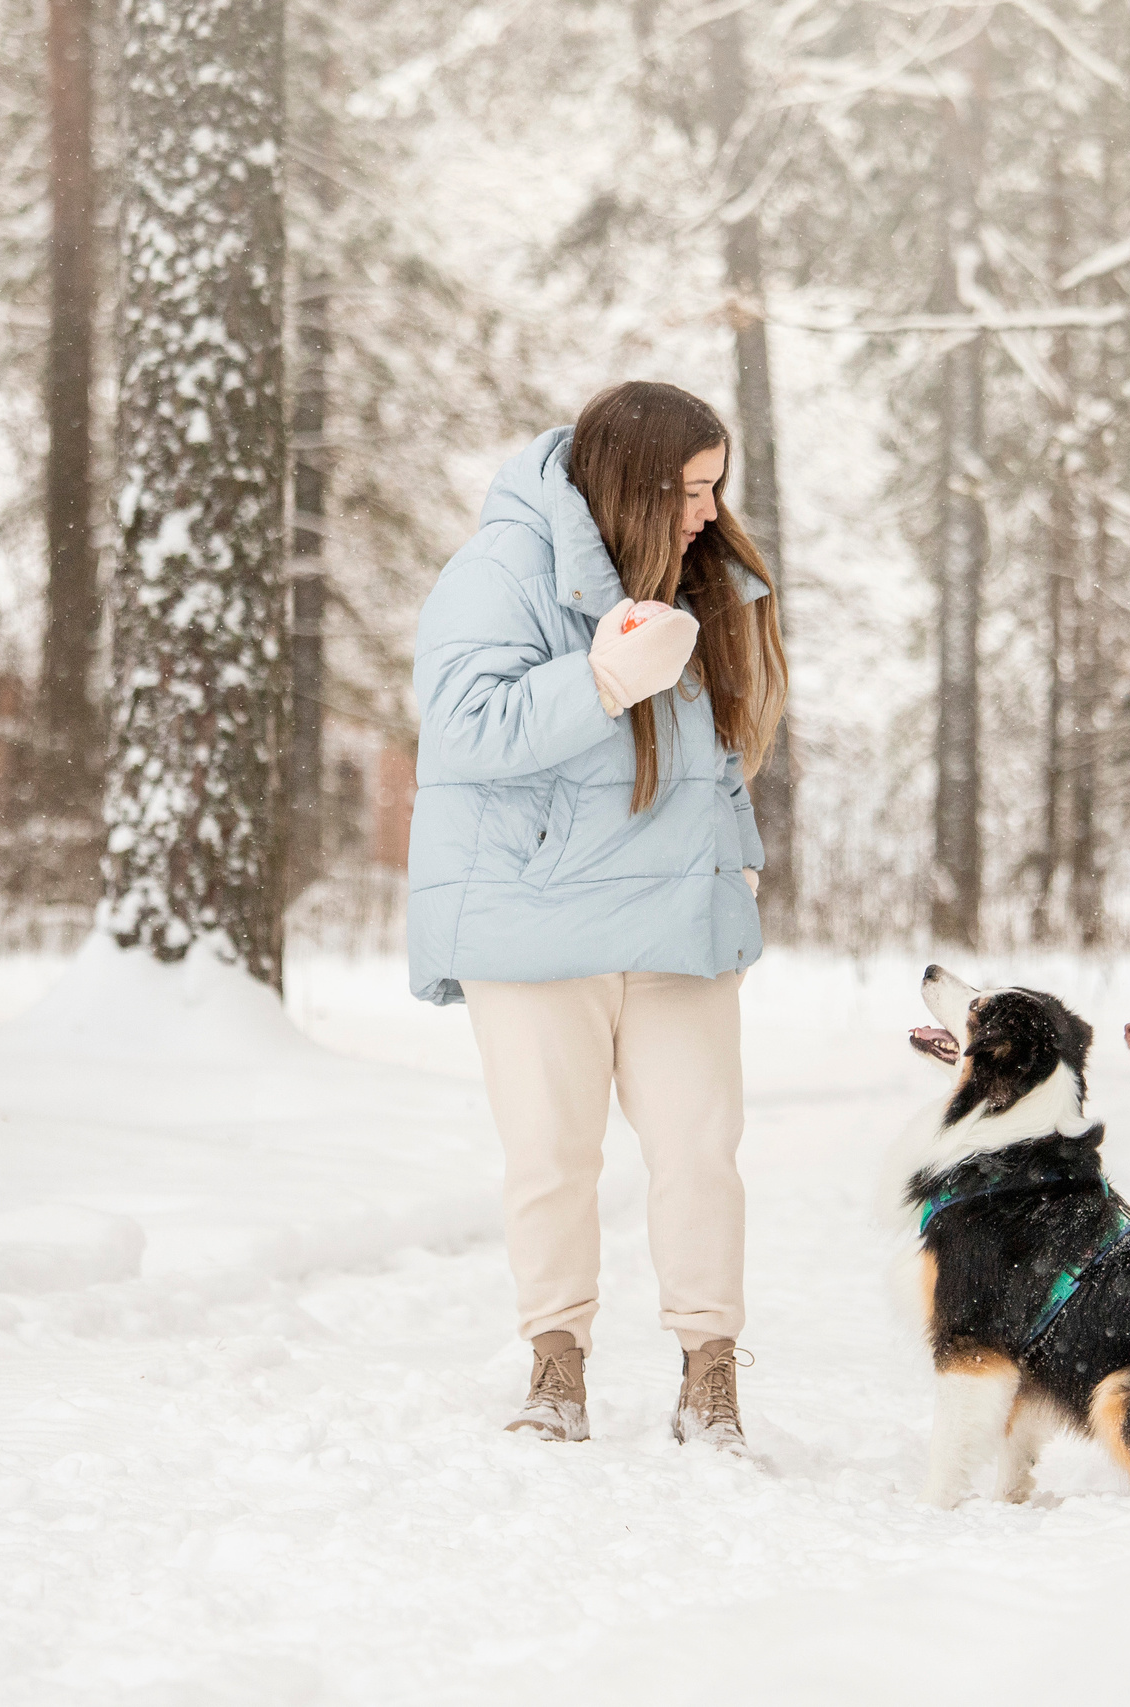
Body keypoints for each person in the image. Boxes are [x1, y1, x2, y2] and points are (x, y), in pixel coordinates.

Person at [407, 380, 789, 1451]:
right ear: (636, 486)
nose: (710, 512)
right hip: (533, 918)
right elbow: (466, 728)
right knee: (552, 1157)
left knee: (701, 1152)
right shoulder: (500, 571)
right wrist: (602, 680)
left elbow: (715, 757)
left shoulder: (692, 571)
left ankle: (710, 1373)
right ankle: (555, 1364)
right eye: (694, 490)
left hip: (676, 916)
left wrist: (737, 866)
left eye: (717, 488)